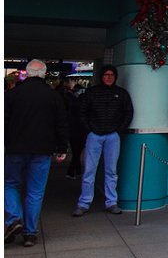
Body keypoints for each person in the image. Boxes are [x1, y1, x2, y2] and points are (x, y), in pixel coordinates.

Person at [5, 59, 69, 248]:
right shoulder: (53, 96)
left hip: (15, 149)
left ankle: (14, 218)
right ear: (43, 74)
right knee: (35, 191)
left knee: (9, 184)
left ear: (27, 73)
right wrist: (62, 147)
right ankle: (30, 234)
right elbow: (61, 124)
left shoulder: (12, 94)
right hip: (42, 150)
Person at [72, 65, 134, 216]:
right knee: (89, 170)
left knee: (111, 171)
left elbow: (128, 113)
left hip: (113, 136)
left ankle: (111, 202)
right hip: (94, 136)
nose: (109, 77)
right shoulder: (92, 92)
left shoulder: (122, 93)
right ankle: (84, 203)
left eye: (112, 75)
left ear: (115, 77)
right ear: (101, 76)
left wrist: (118, 130)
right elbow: (82, 112)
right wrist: (90, 130)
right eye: (106, 74)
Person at [58, 79, 86, 179]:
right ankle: (74, 171)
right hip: (82, 132)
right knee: (77, 153)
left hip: (72, 131)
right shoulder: (84, 111)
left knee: (75, 152)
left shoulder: (72, 107)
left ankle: (76, 171)